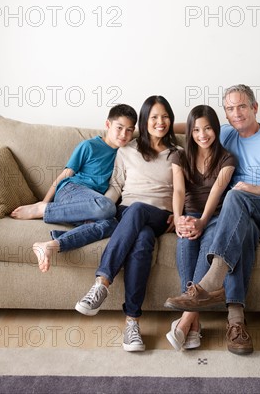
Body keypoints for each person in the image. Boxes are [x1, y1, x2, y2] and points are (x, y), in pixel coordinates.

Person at [165, 84, 260, 355]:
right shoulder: (227, 133)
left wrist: (258, 189)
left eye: (242, 106)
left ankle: (210, 282)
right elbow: (195, 127)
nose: (236, 113)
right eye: (230, 109)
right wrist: (159, 126)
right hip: (245, 215)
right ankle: (236, 322)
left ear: (255, 107)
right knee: (242, 231)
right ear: (225, 116)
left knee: (235, 197)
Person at [75, 95, 177, 353]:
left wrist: (181, 213)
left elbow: (184, 191)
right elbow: (116, 186)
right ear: (144, 121)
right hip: (128, 213)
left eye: (165, 116)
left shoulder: (178, 154)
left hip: (158, 215)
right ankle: (132, 323)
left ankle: (102, 283)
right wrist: (102, 210)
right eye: (154, 117)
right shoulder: (127, 150)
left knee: (140, 209)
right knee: (142, 242)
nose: (160, 122)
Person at [10, 104, 137, 272]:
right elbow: (65, 175)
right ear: (108, 125)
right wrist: (44, 201)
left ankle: (51, 246)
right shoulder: (89, 146)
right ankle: (44, 209)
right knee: (107, 206)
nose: (124, 134)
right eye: (119, 128)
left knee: (113, 225)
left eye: (129, 130)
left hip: (90, 206)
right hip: (71, 190)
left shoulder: (126, 153)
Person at [166, 105, 235, 351]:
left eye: (207, 128)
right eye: (195, 129)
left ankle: (186, 322)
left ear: (216, 129)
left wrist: (203, 222)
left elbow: (217, 191)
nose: (202, 135)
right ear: (189, 131)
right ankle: (194, 324)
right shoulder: (179, 155)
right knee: (185, 240)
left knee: (208, 246)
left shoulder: (227, 158)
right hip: (189, 213)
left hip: (215, 216)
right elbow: (179, 190)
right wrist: (179, 218)